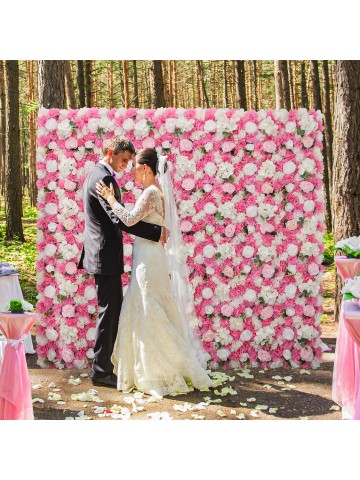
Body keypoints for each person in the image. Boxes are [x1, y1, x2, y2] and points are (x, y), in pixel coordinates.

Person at [96, 148, 212, 397]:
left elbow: (128, 220)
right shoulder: (155, 192)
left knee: (148, 311)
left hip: (148, 262)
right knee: (149, 310)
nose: (132, 172)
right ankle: (150, 368)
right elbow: (146, 224)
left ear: (146, 168)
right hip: (149, 258)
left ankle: (157, 370)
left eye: (136, 167)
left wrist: (111, 199)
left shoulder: (150, 192)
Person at [78, 137, 164, 388]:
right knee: (109, 312)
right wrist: (157, 232)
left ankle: (104, 366)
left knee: (111, 310)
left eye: (129, 161)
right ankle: (101, 370)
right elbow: (119, 220)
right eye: (124, 159)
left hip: (103, 254)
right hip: (104, 256)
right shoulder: (102, 178)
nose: (126, 165)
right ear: (110, 153)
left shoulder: (98, 174)